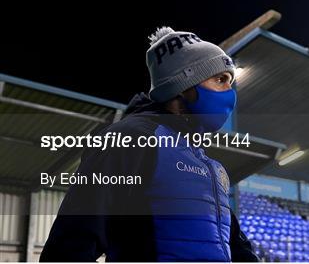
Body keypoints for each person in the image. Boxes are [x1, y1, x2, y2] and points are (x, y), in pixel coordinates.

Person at [40, 27, 259, 262]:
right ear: (184, 85)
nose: (230, 92)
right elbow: (69, 247)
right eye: (220, 79)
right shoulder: (129, 139)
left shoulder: (209, 165)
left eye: (230, 81)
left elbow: (238, 250)